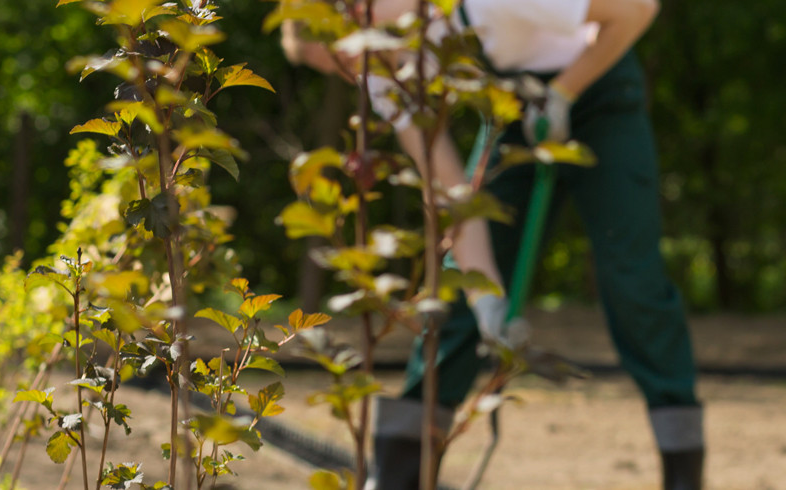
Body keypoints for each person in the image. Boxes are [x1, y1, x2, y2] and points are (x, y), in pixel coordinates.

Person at [282, 0, 706, 489]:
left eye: (347, 57)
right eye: (340, 70)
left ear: (358, 11)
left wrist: (566, 91)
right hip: (516, 104)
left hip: (602, 93)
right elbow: (449, 192)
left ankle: (682, 469)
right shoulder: (386, 72)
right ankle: (401, 471)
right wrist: (487, 303)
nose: (360, 73)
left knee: (633, 281)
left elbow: (637, 12)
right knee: (462, 284)